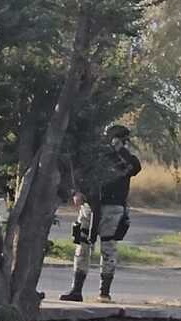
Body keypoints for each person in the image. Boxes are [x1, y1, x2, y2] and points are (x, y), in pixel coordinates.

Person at [59, 124, 142, 302]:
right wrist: (76, 192)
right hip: (90, 205)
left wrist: (119, 149)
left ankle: (104, 293)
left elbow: (134, 167)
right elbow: (78, 173)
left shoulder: (126, 159)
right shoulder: (95, 156)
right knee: (82, 246)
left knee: (108, 248)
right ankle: (76, 290)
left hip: (113, 208)